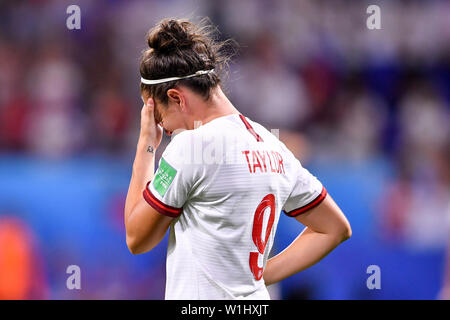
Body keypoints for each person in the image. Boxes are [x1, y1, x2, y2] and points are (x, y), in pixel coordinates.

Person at [124, 18, 351, 300]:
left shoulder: (191, 147)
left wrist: (146, 146)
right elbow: (335, 228)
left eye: (158, 116)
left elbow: (137, 238)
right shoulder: (273, 146)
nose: (164, 130)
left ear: (177, 98)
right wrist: (258, 277)